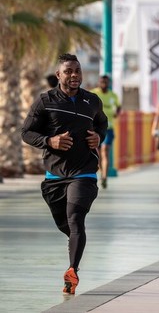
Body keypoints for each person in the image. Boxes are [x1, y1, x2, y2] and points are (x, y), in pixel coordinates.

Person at [22, 53, 108, 296]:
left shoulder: (92, 101)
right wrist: (50, 140)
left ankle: (72, 270)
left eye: (77, 71)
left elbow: (102, 122)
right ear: (59, 75)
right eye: (68, 71)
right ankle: (75, 245)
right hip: (54, 176)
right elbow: (26, 132)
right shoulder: (45, 101)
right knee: (66, 225)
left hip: (85, 172)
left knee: (75, 218)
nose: (74, 75)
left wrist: (99, 136)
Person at [91, 75, 121, 189]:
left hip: (108, 127)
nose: (104, 83)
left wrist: (116, 113)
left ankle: (104, 177)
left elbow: (118, 106)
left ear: (108, 83)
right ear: (99, 82)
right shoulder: (93, 93)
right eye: (102, 81)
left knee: (105, 151)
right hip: (95, 128)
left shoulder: (113, 95)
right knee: (97, 153)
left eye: (106, 82)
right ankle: (101, 173)